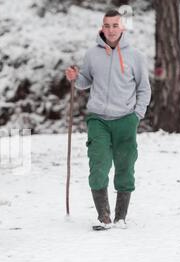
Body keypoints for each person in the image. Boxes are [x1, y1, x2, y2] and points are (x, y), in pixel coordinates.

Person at [65, 9, 151, 230]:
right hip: (98, 119)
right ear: (101, 28)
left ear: (122, 28)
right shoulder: (92, 54)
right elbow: (85, 81)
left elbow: (144, 88)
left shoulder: (136, 56)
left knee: (125, 165)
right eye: (107, 25)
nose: (111, 30)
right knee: (99, 164)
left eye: (115, 25)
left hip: (125, 119)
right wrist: (76, 77)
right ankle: (103, 216)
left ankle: (121, 217)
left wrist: (136, 115)